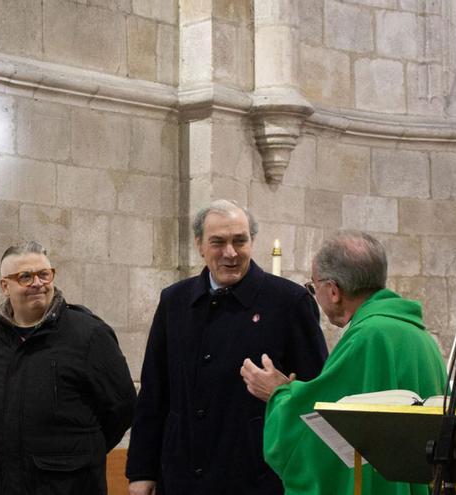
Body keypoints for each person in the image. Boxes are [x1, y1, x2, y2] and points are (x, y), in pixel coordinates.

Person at [126, 199, 328, 495]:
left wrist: (285, 390)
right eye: (218, 242)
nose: (230, 253)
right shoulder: (175, 301)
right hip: (182, 475)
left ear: (252, 241)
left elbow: (318, 392)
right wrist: (141, 471)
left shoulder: (289, 302)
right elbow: (154, 391)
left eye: (239, 241)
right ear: (200, 245)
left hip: (257, 477)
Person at [241, 231, 447, 495]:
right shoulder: (418, 335)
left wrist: (278, 394)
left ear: (334, 291)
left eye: (313, 287)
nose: (316, 295)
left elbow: (323, 422)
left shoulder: (368, 338)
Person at [0, 241, 137, 495]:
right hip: (1, 483)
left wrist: (79, 450)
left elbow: (122, 407)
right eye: (25, 277)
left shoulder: (89, 335)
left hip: (68, 484)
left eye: (44, 274)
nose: (38, 283)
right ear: (5, 286)